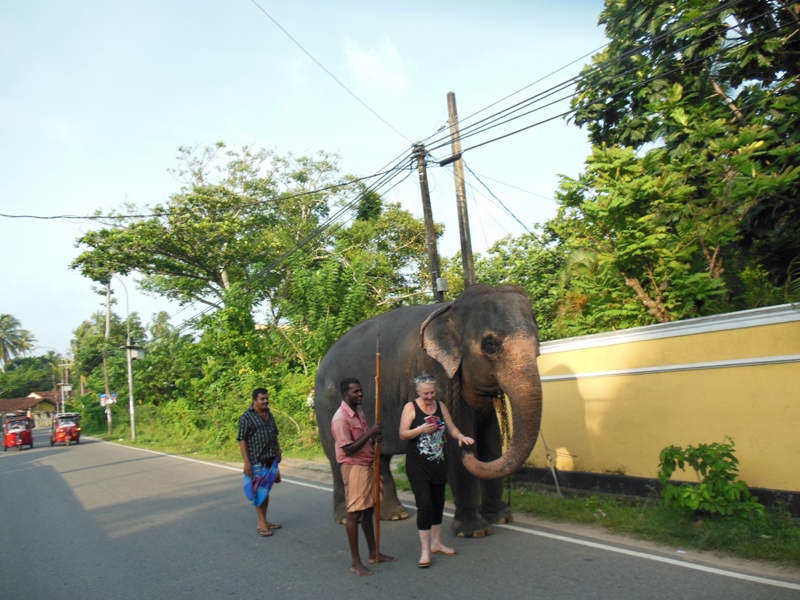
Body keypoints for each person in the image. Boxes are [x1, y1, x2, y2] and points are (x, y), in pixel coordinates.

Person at [399, 373, 474, 568]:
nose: (429, 397)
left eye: (432, 393)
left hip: (439, 462)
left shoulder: (441, 406)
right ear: (418, 392)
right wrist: (420, 430)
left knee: (438, 504)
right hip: (417, 464)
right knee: (425, 504)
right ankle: (425, 551)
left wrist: (460, 436)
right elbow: (403, 434)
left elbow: (451, 428)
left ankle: (437, 543)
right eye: (425, 394)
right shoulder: (411, 407)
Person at [331, 378, 396, 576]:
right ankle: (355, 562)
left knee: (368, 510)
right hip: (354, 468)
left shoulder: (358, 411)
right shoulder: (340, 418)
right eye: (355, 392)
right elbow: (348, 449)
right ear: (345, 394)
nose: (360, 394)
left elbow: (364, 440)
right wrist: (370, 434)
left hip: (367, 465)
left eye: (360, 390)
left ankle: (374, 553)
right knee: (354, 514)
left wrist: (374, 438)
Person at [237, 387, 282, 537]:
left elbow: (274, 434)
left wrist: (278, 450)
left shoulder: (269, 414)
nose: (265, 401)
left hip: (270, 458)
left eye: (266, 398)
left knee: (265, 490)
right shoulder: (246, 417)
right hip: (256, 460)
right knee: (258, 491)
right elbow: (242, 439)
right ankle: (262, 523)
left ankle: (264, 520)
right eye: (262, 399)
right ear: (254, 400)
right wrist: (246, 461)